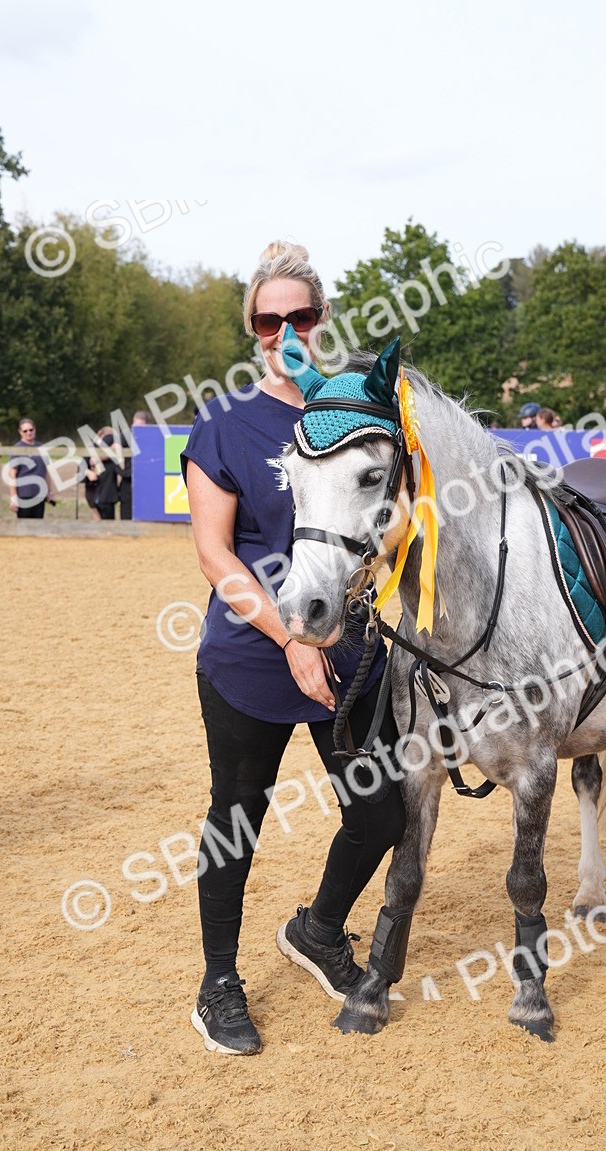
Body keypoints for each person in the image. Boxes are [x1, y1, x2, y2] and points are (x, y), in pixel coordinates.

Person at [181, 241, 405, 1056]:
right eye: (269, 319)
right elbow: (216, 555)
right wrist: (292, 642)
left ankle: (317, 931)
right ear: (253, 329)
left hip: (352, 656)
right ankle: (218, 984)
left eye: (300, 316)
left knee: (381, 810)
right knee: (236, 820)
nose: (286, 330)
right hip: (249, 658)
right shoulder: (226, 425)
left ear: (323, 320)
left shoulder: (355, 412)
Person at [8, 418, 55, 518]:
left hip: (39, 493)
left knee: (38, 527)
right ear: (20, 432)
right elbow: (12, 474)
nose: (28, 433)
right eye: (25, 431)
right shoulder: (17, 449)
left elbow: (45, 471)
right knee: (24, 528)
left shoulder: (41, 447)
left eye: (31, 430)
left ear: (35, 430)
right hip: (24, 494)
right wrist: (14, 496)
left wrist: (50, 492)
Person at [119, 411, 149, 521]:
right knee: (126, 513)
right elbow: (116, 448)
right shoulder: (126, 435)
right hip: (128, 480)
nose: (137, 430)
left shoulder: (150, 438)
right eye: (135, 427)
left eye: (141, 427)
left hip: (144, 481)